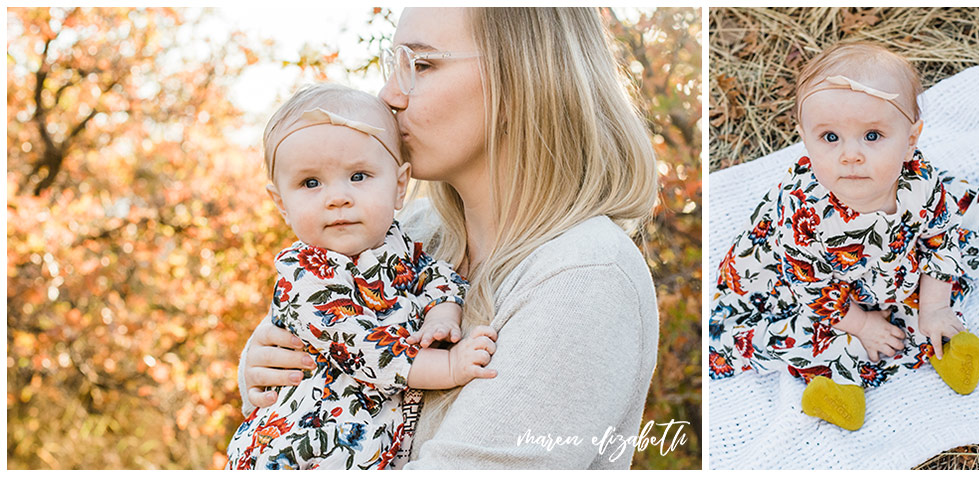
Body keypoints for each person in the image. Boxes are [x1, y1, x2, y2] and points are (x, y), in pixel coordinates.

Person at [237, 8, 660, 469]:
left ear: (521, 78)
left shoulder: (586, 277)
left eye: (421, 65)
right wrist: (266, 364)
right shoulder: (408, 234)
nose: (389, 94)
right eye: (392, 66)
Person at [708, 42, 979, 431]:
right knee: (812, 331)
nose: (850, 155)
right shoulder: (803, 212)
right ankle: (834, 386)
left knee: (943, 281)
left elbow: (942, 241)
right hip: (809, 283)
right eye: (830, 138)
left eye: (872, 136)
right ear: (805, 139)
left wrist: (934, 305)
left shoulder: (920, 184)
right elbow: (813, 291)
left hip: (887, 263)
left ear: (910, 139)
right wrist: (862, 324)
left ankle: (944, 343)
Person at [226, 83, 499, 470]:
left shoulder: (401, 243)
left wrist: (442, 315)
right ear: (281, 204)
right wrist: (451, 366)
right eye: (310, 183)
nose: (337, 197)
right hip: (301, 451)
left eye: (358, 176)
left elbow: (437, 276)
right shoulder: (304, 277)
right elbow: (370, 351)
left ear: (399, 186)